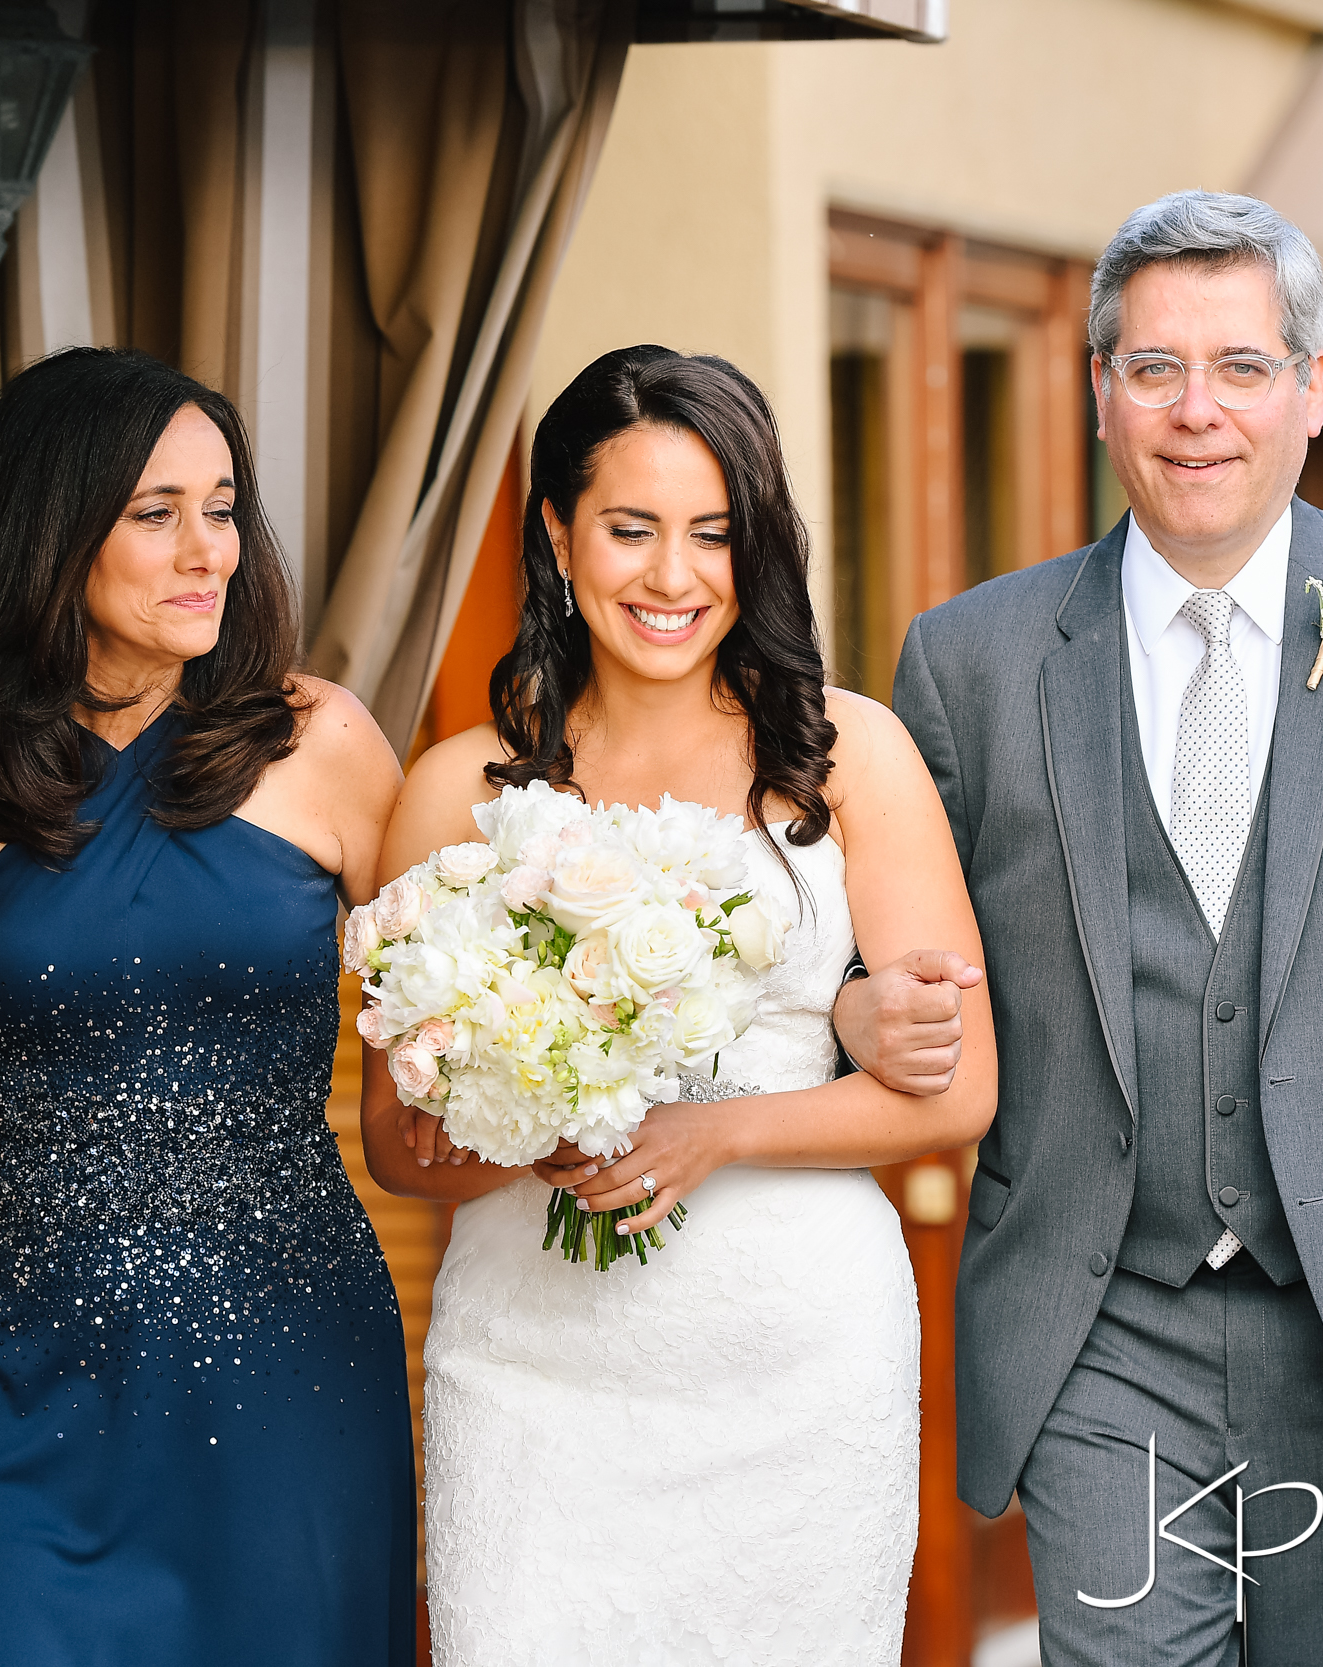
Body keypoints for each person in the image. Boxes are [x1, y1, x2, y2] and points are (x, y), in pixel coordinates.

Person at [843, 190, 1323, 1664]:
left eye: (1242, 367)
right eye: (1153, 368)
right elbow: (873, 953)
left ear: (1314, 390)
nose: (1195, 412)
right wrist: (850, 1011)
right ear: (1098, 394)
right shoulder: (970, 665)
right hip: (1103, 1332)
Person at [363, 345, 997, 1666]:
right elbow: (395, 1143)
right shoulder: (451, 792)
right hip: (535, 1374)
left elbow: (959, 1092)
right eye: (631, 529)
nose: (672, 576)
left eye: (712, 534)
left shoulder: (848, 756)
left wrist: (715, 1131)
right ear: (557, 531)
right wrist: (526, 1122)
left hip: (797, 1361)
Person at [0, 348, 416, 1665]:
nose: (208, 551)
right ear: (53, 530)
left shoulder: (327, 744)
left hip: (285, 1371)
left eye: (223, 505)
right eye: (155, 513)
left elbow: (471, 1007)